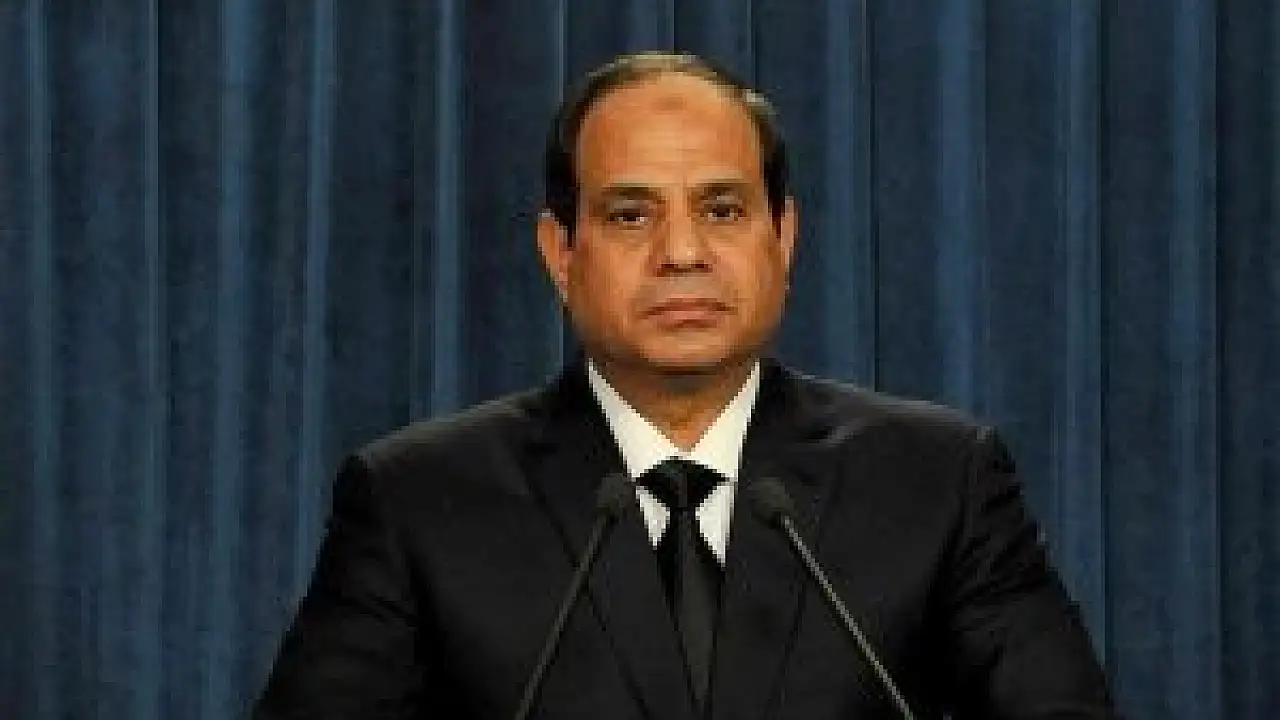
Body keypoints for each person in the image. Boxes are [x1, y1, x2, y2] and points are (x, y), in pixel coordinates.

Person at [255, 52, 1116, 719]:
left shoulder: (936, 481)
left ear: (783, 237)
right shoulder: (419, 501)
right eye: (631, 214)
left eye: (722, 209)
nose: (681, 253)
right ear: (561, 253)